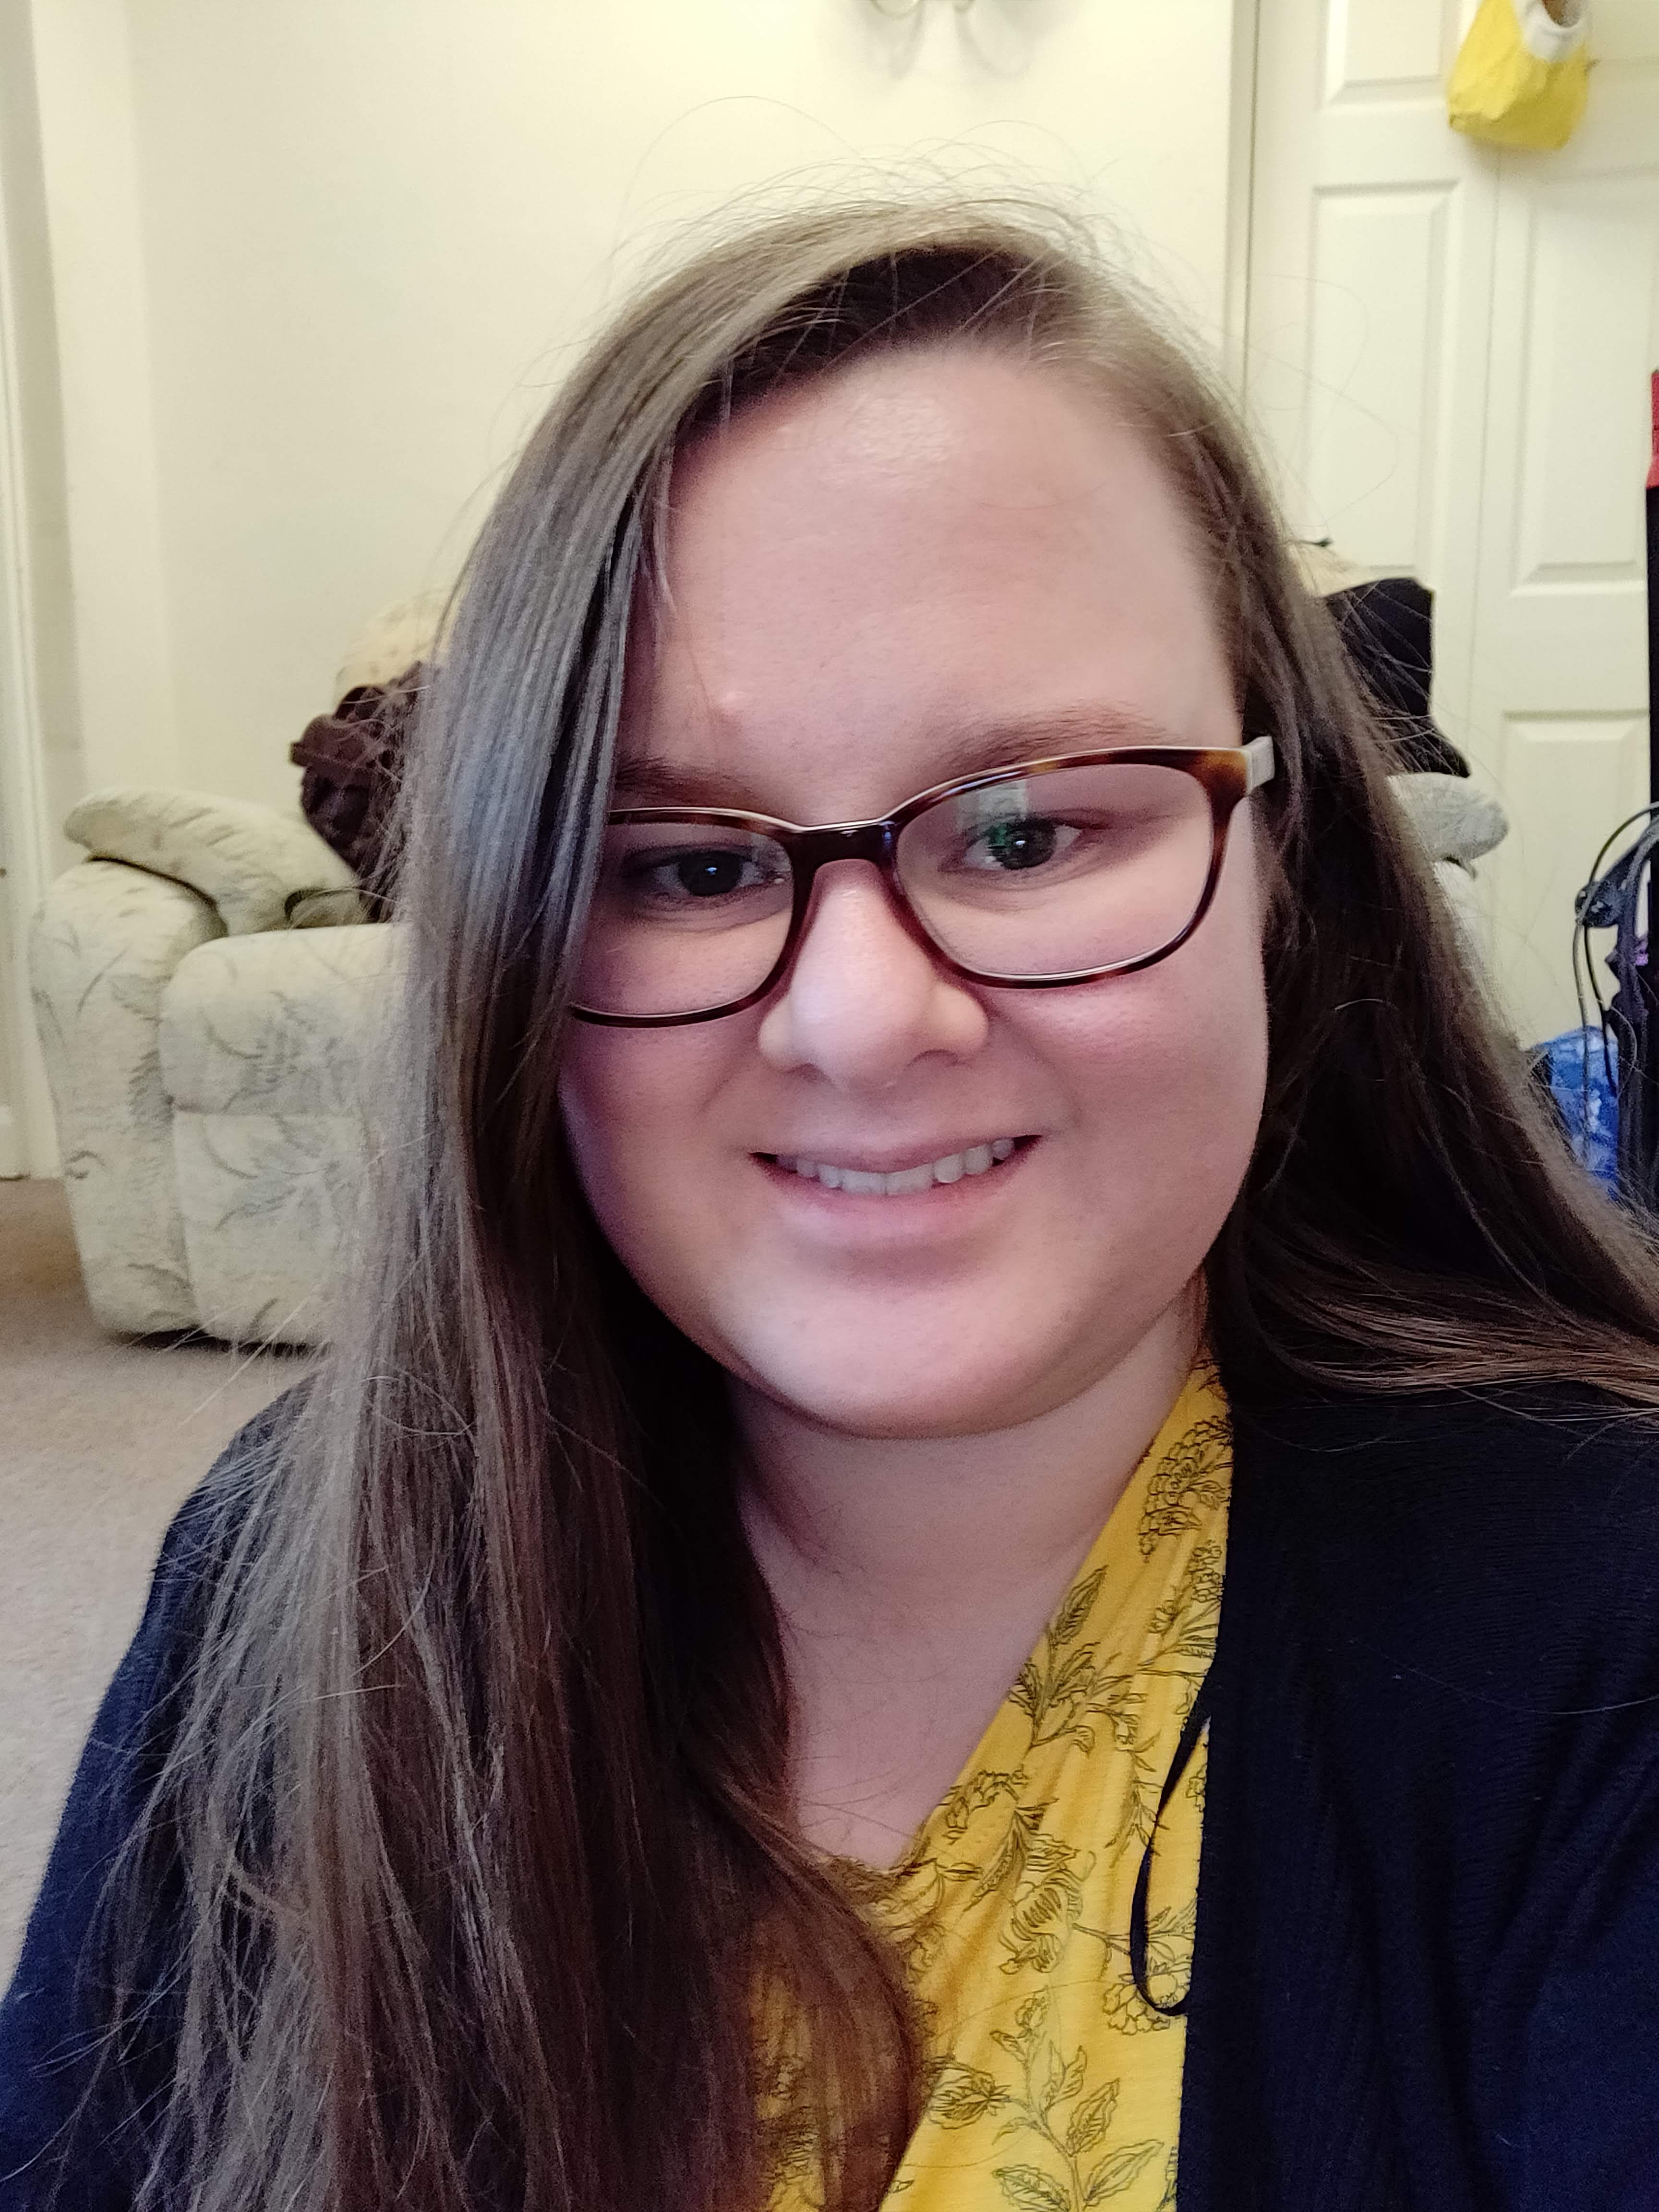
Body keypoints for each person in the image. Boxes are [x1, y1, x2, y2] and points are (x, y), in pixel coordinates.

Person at [3, 198, 1658, 2212]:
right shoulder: (297, 1574)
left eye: (1034, 827)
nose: (866, 1017)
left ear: (1284, 867)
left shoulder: (1605, 1635)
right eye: (685, 867)